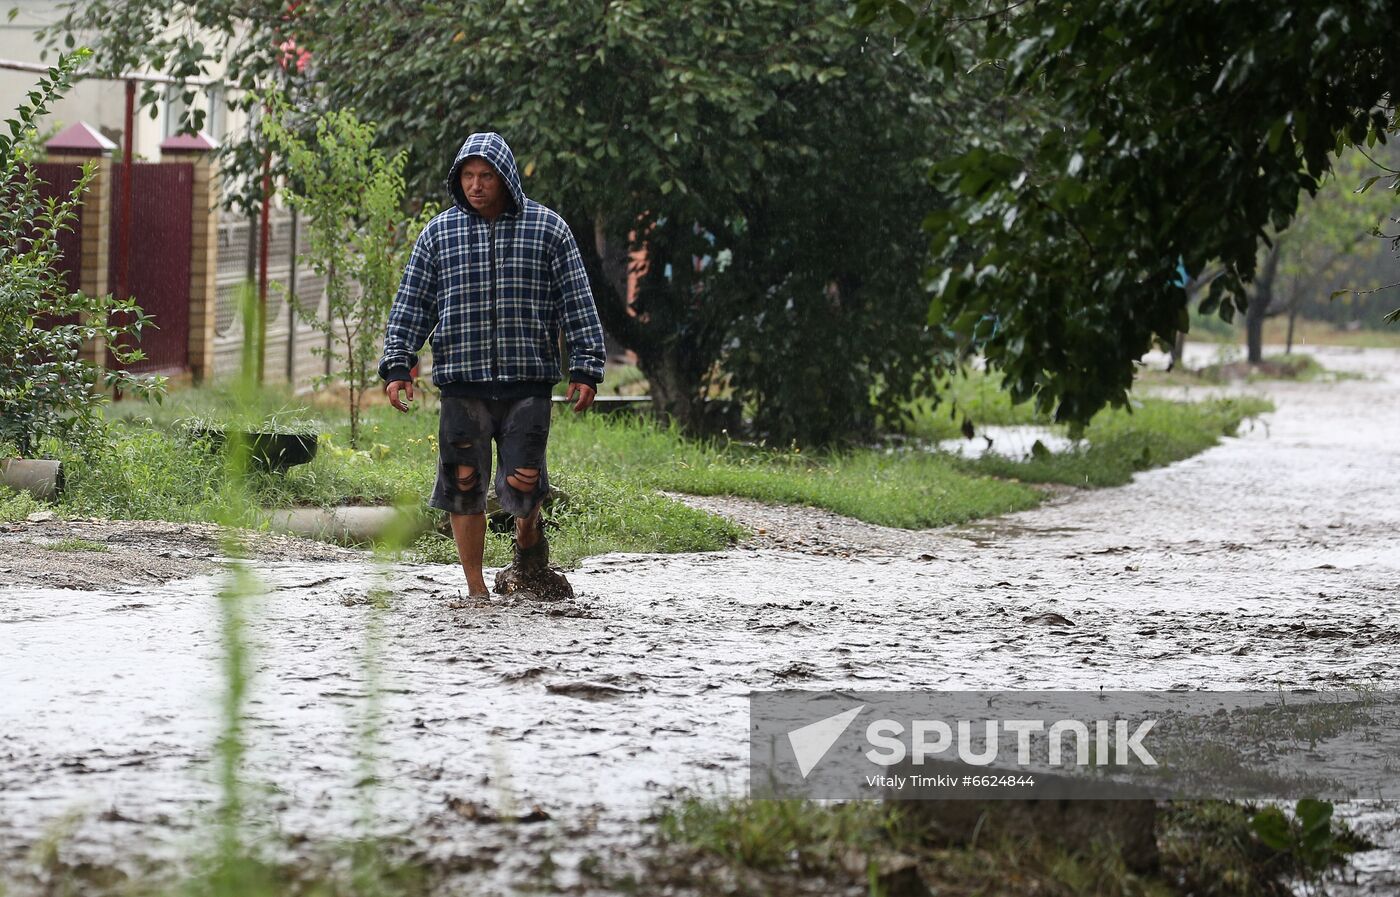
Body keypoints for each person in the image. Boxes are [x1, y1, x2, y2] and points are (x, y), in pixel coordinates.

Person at [378, 132, 606, 598]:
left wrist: (586, 367)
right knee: (463, 485)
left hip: (529, 382)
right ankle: (476, 589)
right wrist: (398, 364)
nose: (476, 185)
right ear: (457, 179)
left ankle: (526, 539)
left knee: (523, 484)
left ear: (505, 179)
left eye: (485, 176)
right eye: (467, 176)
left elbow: (577, 302)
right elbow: (412, 303)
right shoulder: (438, 234)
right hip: (463, 383)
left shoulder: (548, 229)